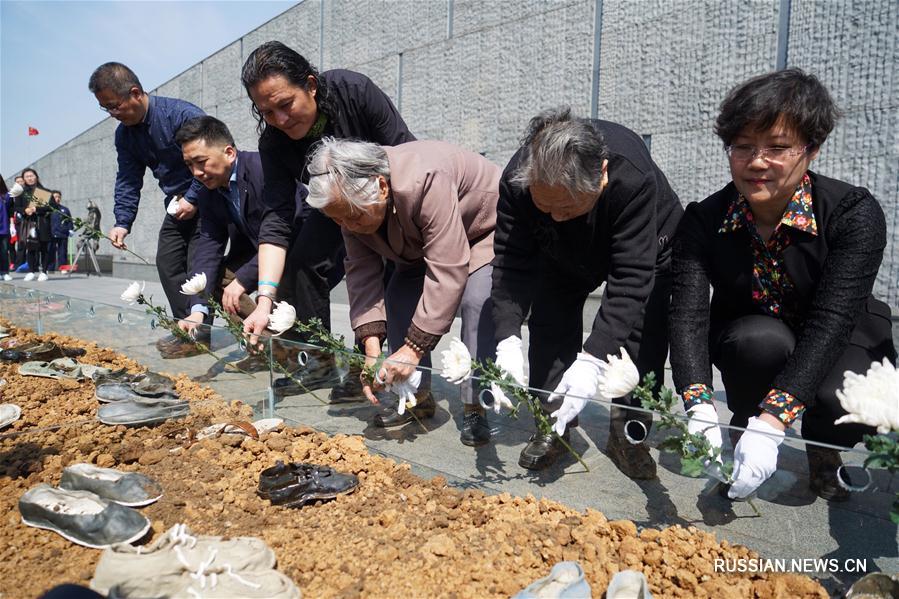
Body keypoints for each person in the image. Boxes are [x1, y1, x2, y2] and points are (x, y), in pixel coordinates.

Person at [669, 68, 897, 502]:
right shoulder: (704, 220)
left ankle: (822, 449)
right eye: (743, 146)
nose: (757, 162)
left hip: (841, 332)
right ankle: (743, 427)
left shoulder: (852, 214)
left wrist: (776, 420)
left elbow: (832, 320)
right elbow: (688, 315)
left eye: (777, 148)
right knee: (756, 343)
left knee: (844, 395)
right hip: (758, 329)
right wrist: (698, 405)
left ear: (811, 149)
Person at [491, 107, 683, 475]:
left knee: (643, 334)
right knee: (549, 318)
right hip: (559, 252)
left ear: (603, 177)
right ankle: (553, 424)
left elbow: (630, 278)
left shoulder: (633, 178)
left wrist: (593, 359)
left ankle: (629, 433)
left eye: (565, 207)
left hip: (647, 244)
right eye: (544, 206)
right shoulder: (519, 179)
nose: (555, 215)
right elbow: (511, 261)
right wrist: (507, 339)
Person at [239, 41, 415, 396]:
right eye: (268, 112)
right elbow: (276, 219)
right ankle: (317, 363)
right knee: (302, 262)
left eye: (286, 104)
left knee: (393, 269)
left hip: (389, 197)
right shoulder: (273, 143)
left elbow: (405, 154)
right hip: (332, 208)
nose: (281, 120)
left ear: (310, 85)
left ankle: (381, 365)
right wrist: (264, 300)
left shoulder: (354, 92)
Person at [306, 138, 501, 445]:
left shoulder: (425, 179)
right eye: (337, 219)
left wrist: (413, 348)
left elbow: (446, 266)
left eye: (352, 217)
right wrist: (371, 350)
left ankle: (475, 403)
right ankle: (416, 396)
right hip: (420, 241)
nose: (347, 226)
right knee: (398, 296)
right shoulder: (350, 205)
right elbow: (360, 270)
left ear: (381, 187)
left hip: (480, 230)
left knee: (477, 302)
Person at [88, 62, 208, 358]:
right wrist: (122, 222)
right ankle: (187, 328)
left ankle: (201, 332)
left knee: (198, 265)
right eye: (106, 109)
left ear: (135, 93)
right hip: (177, 204)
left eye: (115, 106)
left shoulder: (181, 115)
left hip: (209, 196)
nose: (113, 114)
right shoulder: (124, 136)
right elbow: (128, 179)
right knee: (167, 263)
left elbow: (209, 160)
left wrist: (193, 197)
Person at [174, 115, 305, 370]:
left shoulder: (262, 170)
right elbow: (209, 246)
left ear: (229, 153)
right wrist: (199, 309)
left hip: (298, 244)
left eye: (201, 162)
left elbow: (288, 229)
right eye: (189, 165)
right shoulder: (208, 190)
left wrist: (244, 279)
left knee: (283, 292)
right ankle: (265, 349)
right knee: (220, 278)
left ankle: (309, 362)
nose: (196, 173)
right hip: (260, 249)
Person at [47, 190, 73, 271]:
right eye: (55, 197)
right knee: (50, 251)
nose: (57, 199)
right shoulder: (48, 209)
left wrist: (71, 229)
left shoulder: (65, 209)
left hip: (63, 234)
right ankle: (50, 268)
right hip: (51, 233)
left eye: (59, 197)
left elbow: (69, 220)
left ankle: (63, 267)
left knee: (63, 252)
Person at [0, 177, 11, 281]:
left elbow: (10, 210)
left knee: (4, 251)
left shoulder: (6, 195)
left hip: (3, 229)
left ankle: (4, 271)